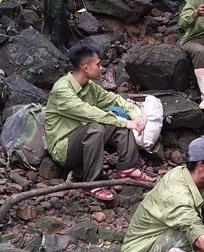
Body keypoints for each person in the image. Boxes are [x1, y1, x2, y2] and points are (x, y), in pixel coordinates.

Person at [44, 43, 156, 203]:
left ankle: (128, 167)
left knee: (116, 118)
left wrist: (135, 116)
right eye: (98, 64)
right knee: (98, 126)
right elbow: (88, 112)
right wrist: (125, 123)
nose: (102, 68)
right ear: (85, 67)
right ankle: (93, 184)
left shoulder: (90, 87)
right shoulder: (62, 89)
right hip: (64, 149)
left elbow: (116, 100)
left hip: (87, 142)